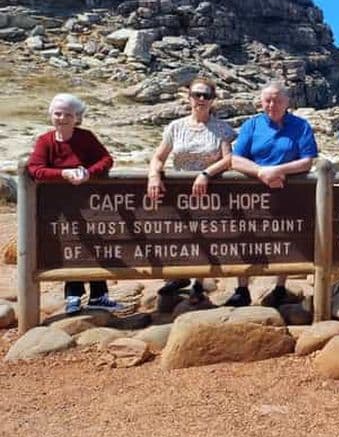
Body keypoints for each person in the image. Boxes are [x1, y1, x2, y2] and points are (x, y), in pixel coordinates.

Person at [27, 93, 124, 315]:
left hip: (89, 203)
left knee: (95, 244)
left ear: (77, 117)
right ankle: (73, 296)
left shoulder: (86, 137)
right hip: (58, 206)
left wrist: (88, 173)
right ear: (51, 115)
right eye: (57, 114)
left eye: (68, 115)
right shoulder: (45, 141)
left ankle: (99, 295)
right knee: (69, 246)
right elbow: (35, 169)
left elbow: (106, 160)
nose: (62, 118)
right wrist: (63, 174)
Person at [225, 82, 318, 307]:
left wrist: (277, 171)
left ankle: (280, 287)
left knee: (285, 237)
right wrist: (261, 172)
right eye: (267, 100)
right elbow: (235, 159)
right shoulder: (252, 125)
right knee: (245, 237)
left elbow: (307, 161)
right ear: (261, 101)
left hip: (288, 192)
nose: (272, 105)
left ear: (287, 102)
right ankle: (242, 288)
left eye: (277, 100)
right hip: (253, 192)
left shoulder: (301, 126)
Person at [147, 77, 235, 302]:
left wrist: (206, 174)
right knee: (180, 234)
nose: (201, 99)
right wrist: (154, 175)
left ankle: (199, 283)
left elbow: (228, 159)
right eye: (197, 94)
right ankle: (180, 276)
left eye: (207, 95)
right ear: (189, 97)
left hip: (209, 190)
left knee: (205, 236)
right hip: (180, 192)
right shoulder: (175, 127)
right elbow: (159, 157)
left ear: (213, 100)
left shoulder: (222, 129)